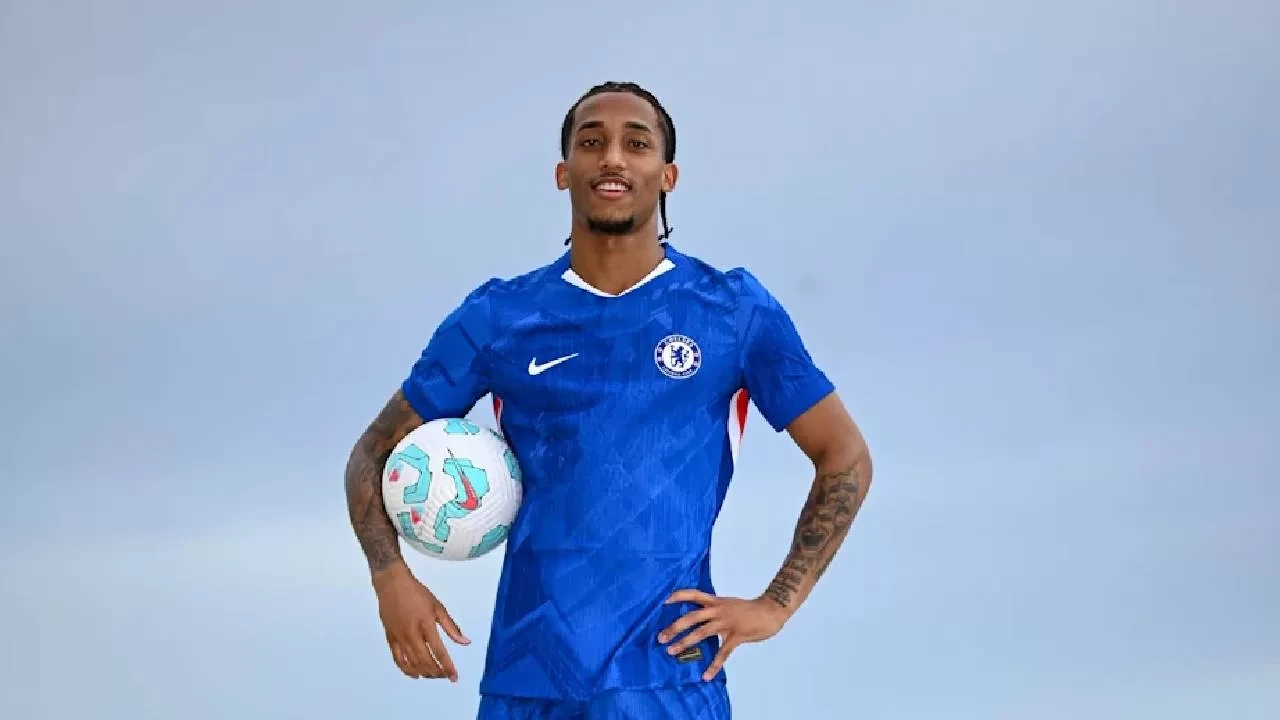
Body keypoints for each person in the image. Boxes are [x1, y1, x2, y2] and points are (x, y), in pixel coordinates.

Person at [344, 81, 873, 719]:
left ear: (668, 175)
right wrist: (390, 578)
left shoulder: (734, 311)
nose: (613, 157)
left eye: (636, 144)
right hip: (528, 679)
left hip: (669, 681)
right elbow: (372, 454)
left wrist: (776, 603)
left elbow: (844, 455)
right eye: (591, 143)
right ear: (563, 173)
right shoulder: (499, 316)